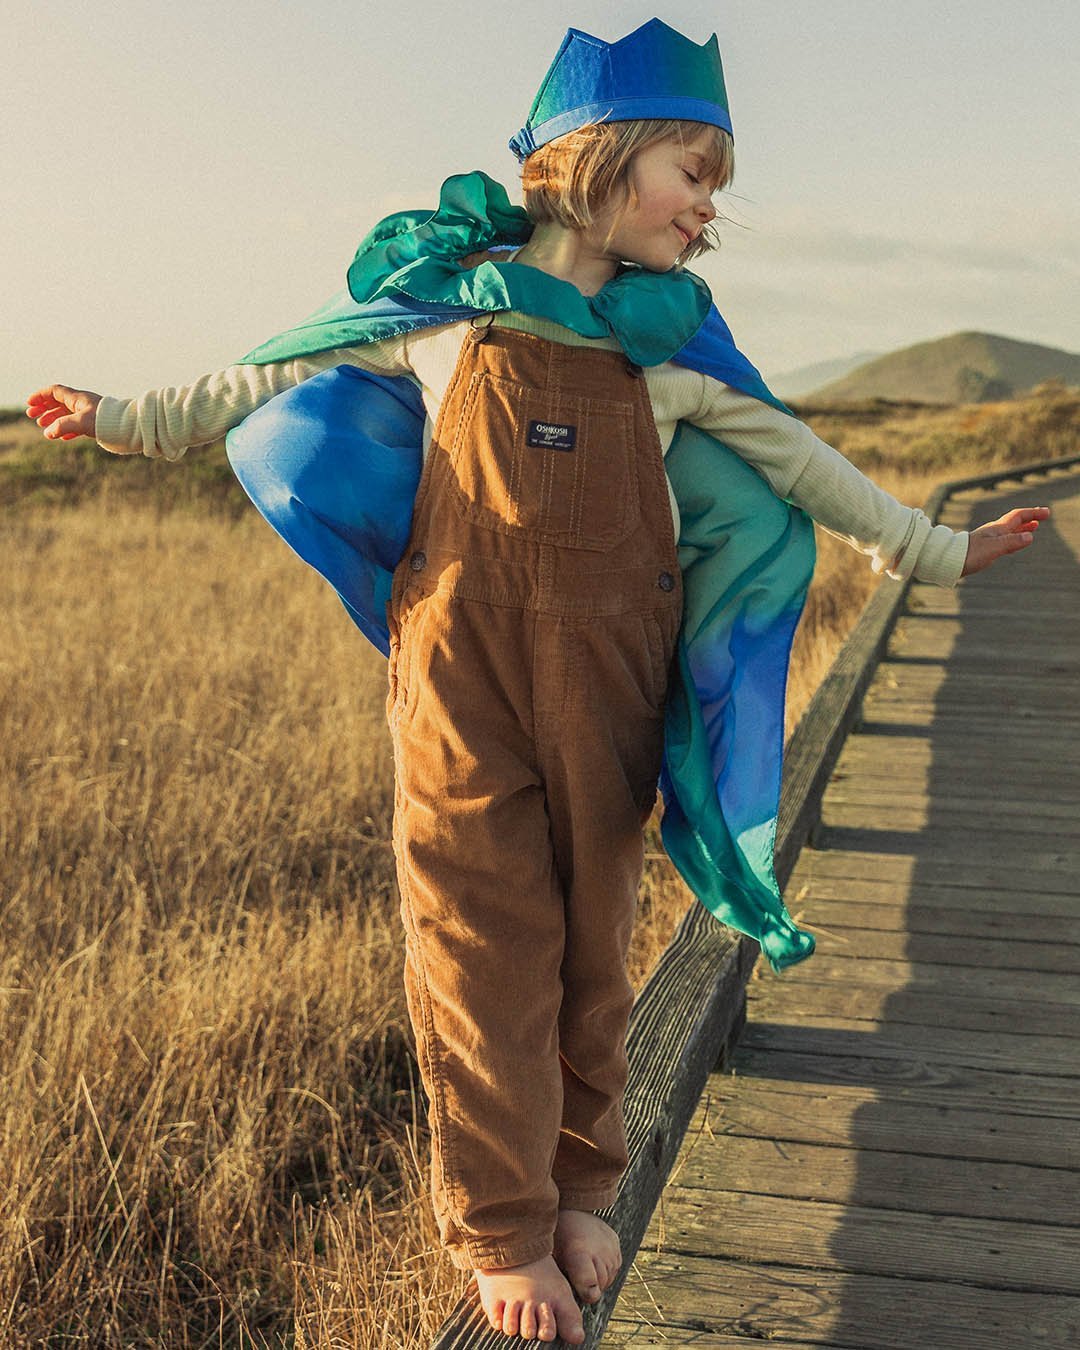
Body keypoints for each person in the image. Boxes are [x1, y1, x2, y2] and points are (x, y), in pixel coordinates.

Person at [26, 20, 1047, 1344]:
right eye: (695, 171)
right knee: (474, 940)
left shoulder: (670, 347)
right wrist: (120, 419)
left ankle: (584, 1185)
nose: (709, 209)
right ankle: (503, 1225)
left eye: (716, 187)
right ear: (604, 161)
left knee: (590, 947)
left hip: (609, 679)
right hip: (459, 671)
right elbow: (266, 372)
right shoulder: (447, 311)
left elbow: (803, 466)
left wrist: (941, 548)